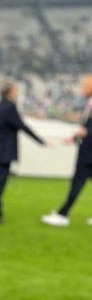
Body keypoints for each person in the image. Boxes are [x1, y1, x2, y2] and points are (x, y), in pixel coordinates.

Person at [0, 82, 45, 224]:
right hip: (4, 152)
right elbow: (21, 125)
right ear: (10, 93)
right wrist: (40, 141)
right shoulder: (10, 108)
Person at [41, 75, 92, 227]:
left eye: (84, 85)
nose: (81, 89)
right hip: (87, 150)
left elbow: (88, 129)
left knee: (76, 183)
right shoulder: (88, 104)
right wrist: (75, 138)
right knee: (76, 183)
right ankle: (63, 213)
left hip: (87, 155)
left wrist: (82, 134)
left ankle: (63, 214)